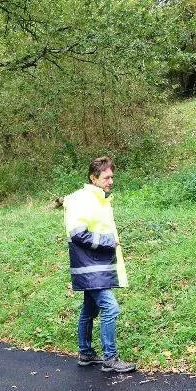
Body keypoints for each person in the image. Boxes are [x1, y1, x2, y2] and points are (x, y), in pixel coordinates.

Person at [62, 156, 136, 372]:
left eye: (112, 176)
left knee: (89, 309)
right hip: (90, 266)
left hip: (95, 266)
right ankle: (110, 358)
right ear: (93, 178)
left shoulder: (98, 199)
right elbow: (77, 234)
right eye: (106, 177)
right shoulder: (83, 200)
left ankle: (85, 353)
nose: (111, 181)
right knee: (110, 308)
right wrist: (108, 241)